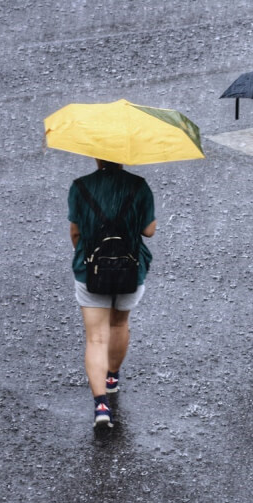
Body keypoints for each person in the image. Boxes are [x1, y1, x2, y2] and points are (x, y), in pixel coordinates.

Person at [68, 159, 156, 429]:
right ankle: (112, 379)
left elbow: (75, 232)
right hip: (131, 268)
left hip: (90, 270)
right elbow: (149, 230)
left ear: (96, 156)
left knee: (96, 338)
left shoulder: (80, 186)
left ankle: (101, 406)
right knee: (119, 323)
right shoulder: (139, 186)